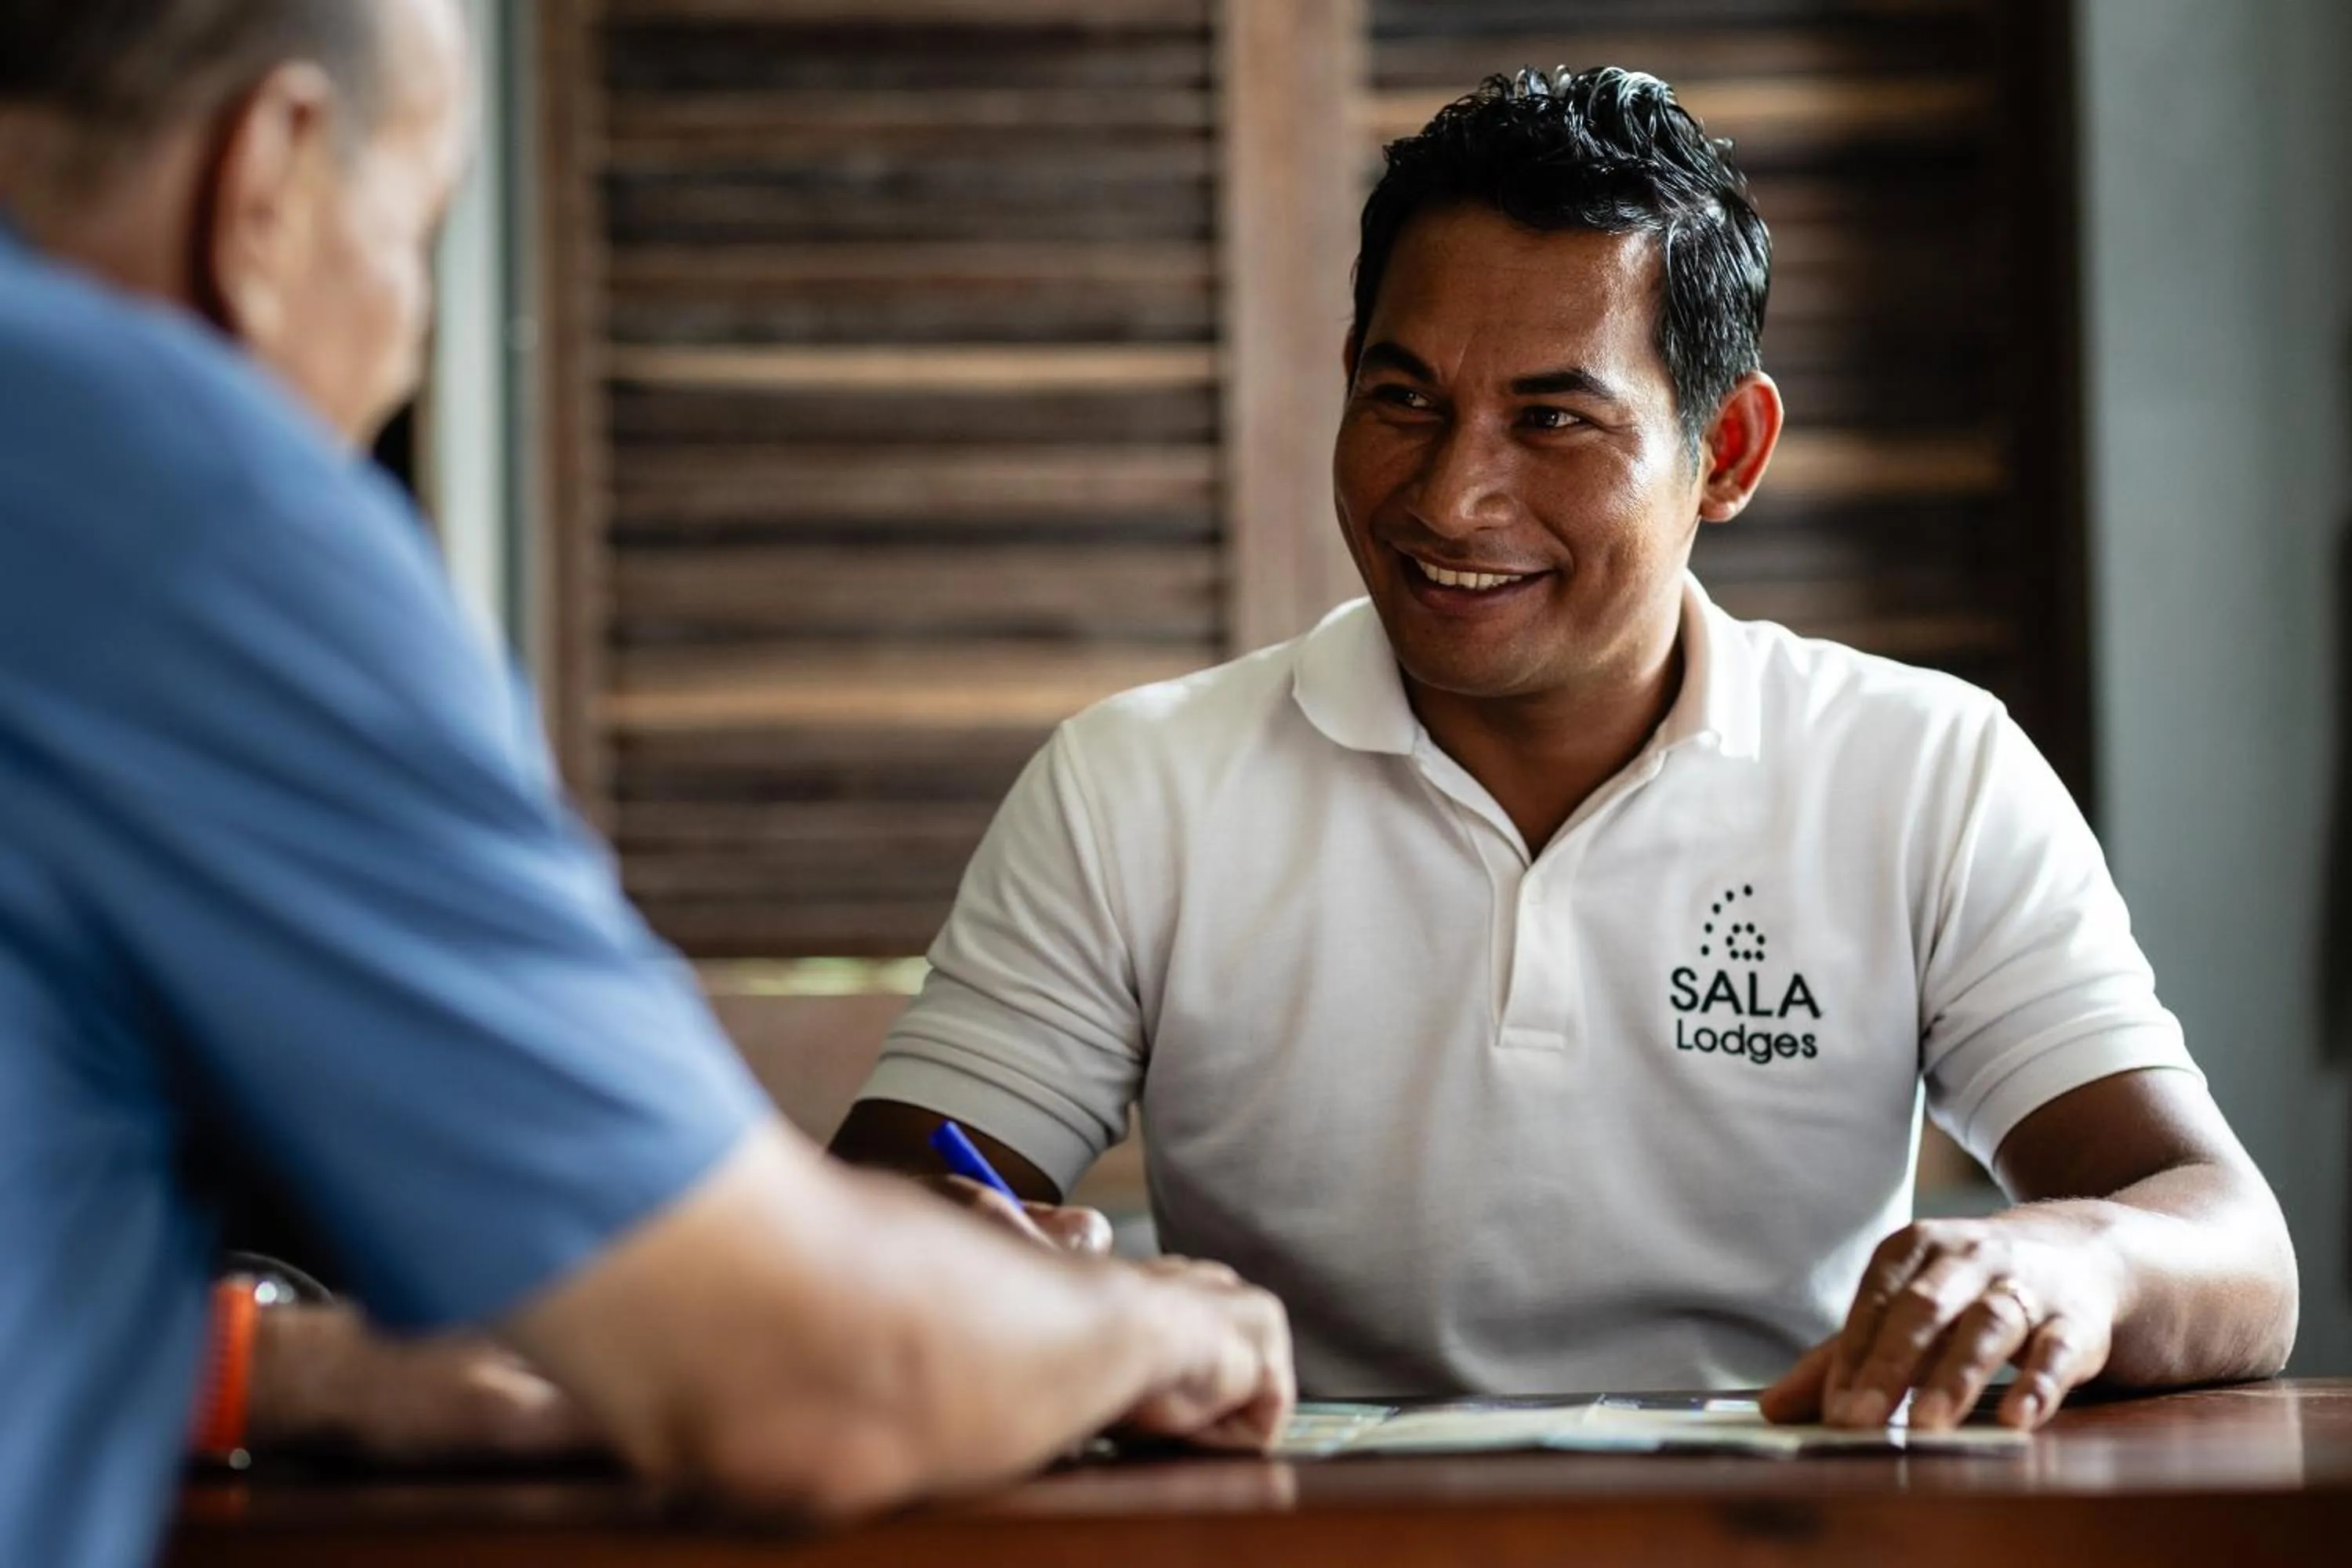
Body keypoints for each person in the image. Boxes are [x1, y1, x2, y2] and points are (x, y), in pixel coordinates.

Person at [0, 2, 1293, 1564]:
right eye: (416, 228)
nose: (407, 341)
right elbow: (803, 1379)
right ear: (265, 175)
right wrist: (1132, 1328)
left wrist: (277, 1368)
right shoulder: (174, 493)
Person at [833, 67, 2298, 1431]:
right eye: (1404, 399)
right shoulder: (1135, 785)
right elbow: (880, 1218)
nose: (1455, 496)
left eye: (1555, 420)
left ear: (1724, 455)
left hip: (1791, 1524)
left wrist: (2074, 1265)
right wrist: (958, 1255)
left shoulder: (1927, 772)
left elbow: (2230, 1244)